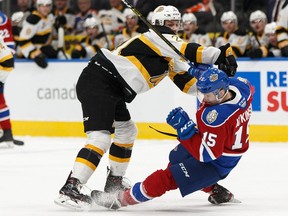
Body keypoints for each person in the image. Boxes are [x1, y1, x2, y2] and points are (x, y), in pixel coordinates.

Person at [54, 5, 238, 210]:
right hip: (99, 80)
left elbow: (190, 86)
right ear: (158, 24)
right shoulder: (154, 38)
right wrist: (221, 54)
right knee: (100, 138)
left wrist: (209, 80)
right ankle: (70, 188)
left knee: (126, 132)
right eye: (169, 23)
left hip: (113, 88)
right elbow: (191, 50)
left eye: (175, 23)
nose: (174, 27)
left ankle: (114, 182)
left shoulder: (168, 53)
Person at [91, 67, 253, 210]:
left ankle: (120, 200)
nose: (204, 98)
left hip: (217, 162)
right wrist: (210, 73)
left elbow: (207, 155)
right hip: (221, 144)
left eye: (208, 95)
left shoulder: (216, 117)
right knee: (176, 158)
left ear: (222, 92)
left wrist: (186, 131)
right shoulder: (241, 88)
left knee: (167, 178)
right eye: (203, 92)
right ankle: (216, 191)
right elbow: (246, 86)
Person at [0, 10, 24, 147]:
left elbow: (8, 55)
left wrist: (1, 77)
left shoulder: (2, 19)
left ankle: (7, 133)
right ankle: (7, 133)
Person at [18, 0, 58, 68]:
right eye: (42, 6)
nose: (45, 8)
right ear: (38, 7)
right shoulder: (33, 19)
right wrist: (34, 54)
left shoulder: (50, 17)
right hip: (27, 53)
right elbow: (22, 40)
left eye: (47, 6)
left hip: (42, 48)